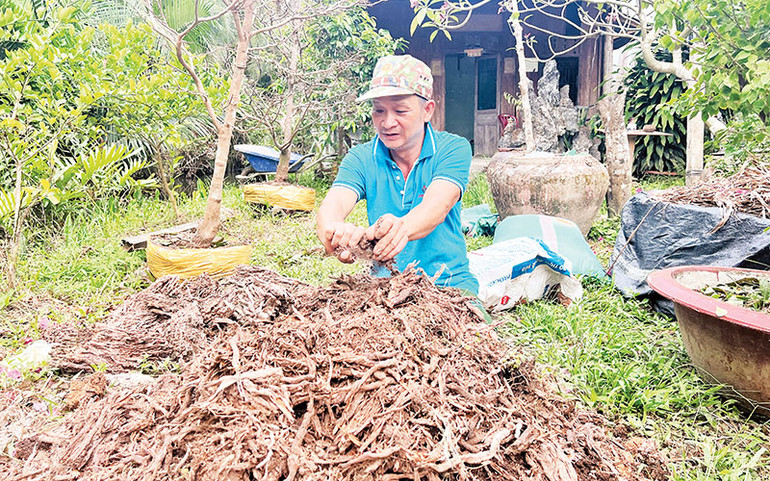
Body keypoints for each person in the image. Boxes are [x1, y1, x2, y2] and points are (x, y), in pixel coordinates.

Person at [316, 54, 479, 294]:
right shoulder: (361, 157)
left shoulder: (452, 148)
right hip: (383, 287)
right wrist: (335, 231)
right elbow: (335, 203)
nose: (387, 122)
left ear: (427, 111)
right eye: (379, 110)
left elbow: (437, 206)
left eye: (400, 111)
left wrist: (401, 228)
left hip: (448, 284)